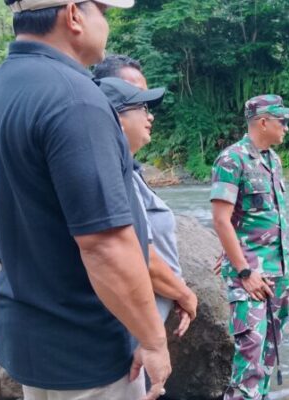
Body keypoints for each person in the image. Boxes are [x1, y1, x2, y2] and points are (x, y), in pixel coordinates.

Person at [0, 0, 171, 399]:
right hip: (89, 350)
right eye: (102, 10)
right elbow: (104, 245)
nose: (106, 21)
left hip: (31, 340)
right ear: (73, 15)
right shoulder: (75, 98)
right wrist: (153, 340)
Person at [211, 95, 289, 400]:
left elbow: (255, 217)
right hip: (250, 276)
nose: (286, 127)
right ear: (263, 122)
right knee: (249, 357)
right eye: (282, 121)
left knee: (268, 356)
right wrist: (243, 270)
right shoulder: (231, 160)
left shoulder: (273, 160)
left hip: (277, 273)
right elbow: (220, 219)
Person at [98, 77, 198, 338]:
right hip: (130, 328)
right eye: (142, 108)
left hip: (144, 323)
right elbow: (138, 253)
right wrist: (184, 294)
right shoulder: (112, 177)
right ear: (117, 119)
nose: (150, 116)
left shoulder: (128, 172)